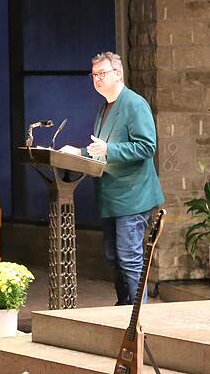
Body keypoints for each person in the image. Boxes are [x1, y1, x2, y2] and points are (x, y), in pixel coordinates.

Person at [61, 51, 164, 306]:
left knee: (129, 257)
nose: (97, 79)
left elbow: (146, 147)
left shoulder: (134, 104)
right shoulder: (104, 106)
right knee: (113, 257)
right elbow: (101, 148)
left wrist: (109, 150)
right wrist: (78, 152)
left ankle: (139, 316)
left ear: (118, 74)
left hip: (133, 195)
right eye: (93, 75)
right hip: (111, 196)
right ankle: (124, 307)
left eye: (102, 73)